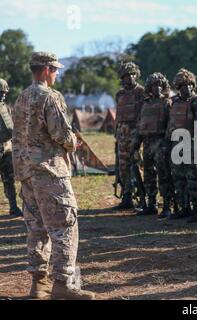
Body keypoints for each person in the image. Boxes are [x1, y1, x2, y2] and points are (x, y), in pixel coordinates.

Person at [12, 52, 95, 299]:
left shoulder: (21, 97)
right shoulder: (50, 96)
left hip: (26, 173)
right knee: (65, 225)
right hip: (49, 172)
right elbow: (61, 133)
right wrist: (73, 143)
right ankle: (63, 285)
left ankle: (38, 284)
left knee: (36, 228)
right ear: (46, 69)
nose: (57, 73)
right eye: (55, 70)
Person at [132, 73, 175, 218]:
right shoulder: (145, 104)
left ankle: (167, 205)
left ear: (163, 87)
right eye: (154, 85)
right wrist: (135, 146)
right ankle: (151, 204)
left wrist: (166, 143)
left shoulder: (167, 103)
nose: (157, 88)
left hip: (160, 142)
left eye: (159, 85)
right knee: (148, 175)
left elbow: (171, 124)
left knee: (164, 175)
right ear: (149, 87)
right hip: (147, 143)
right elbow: (140, 125)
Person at [167, 68, 197, 223]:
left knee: (193, 179)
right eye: (182, 85)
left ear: (193, 85)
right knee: (178, 178)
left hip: (192, 145)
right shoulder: (175, 103)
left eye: (189, 85)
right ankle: (185, 208)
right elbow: (171, 124)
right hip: (177, 144)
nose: (186, 88)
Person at [114, 62, 145, 210]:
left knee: (137, 166)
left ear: (136, 75)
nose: (130, 78)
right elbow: (118, 116)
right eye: (126, 75)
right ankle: (126, 197)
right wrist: (117, 134)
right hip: (122, 136)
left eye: (132, 75)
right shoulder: (119, 94)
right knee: (123, 167)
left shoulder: (142, 92)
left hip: (136, 135)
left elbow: (145, 115)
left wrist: (140, 136)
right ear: (122, 78)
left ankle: (142, 197)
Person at [0, 78, 22, 216]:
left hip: (6, 149)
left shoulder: (5, 107)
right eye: (0, 92)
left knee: (9, 179)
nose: (3, 95)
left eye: (4, 92)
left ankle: (13, 207)